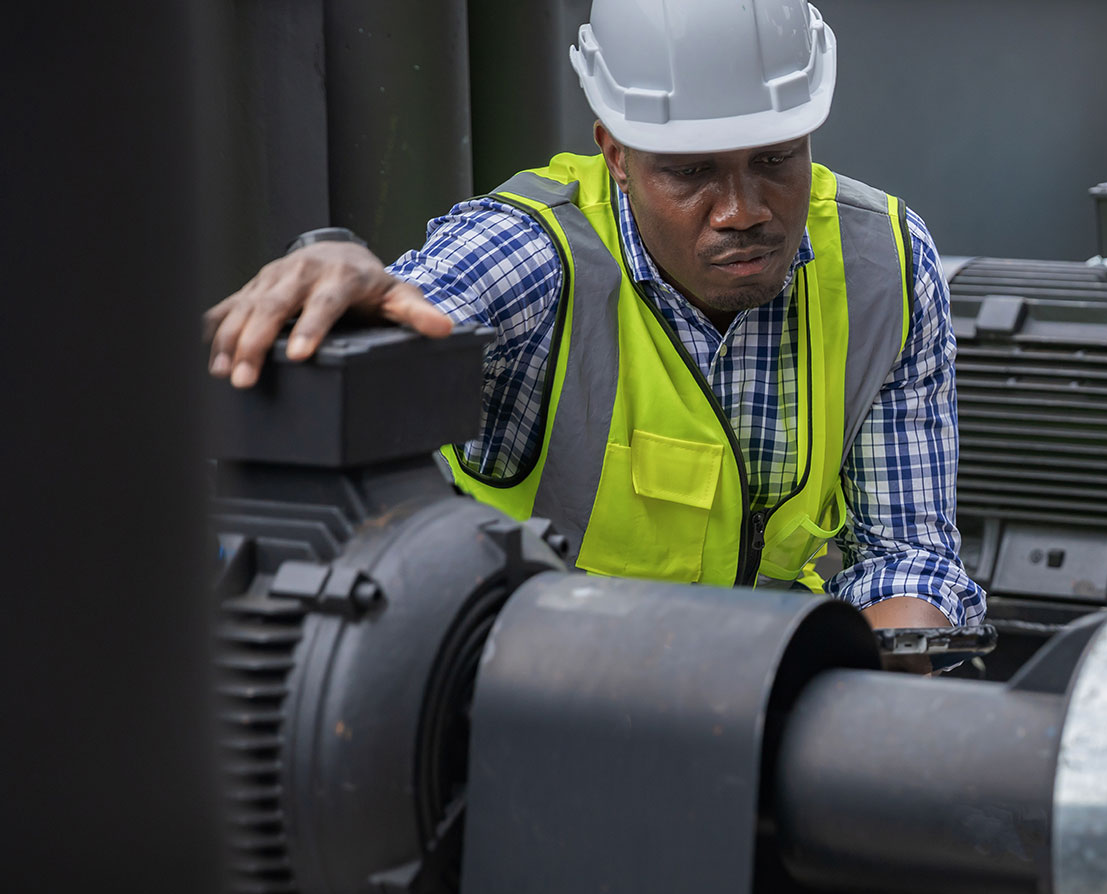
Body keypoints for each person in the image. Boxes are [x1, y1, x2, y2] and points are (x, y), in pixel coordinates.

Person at [203, 0, 984, 631]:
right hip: (527, 692)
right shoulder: (535, 251)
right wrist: (340, 268)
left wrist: (874, 693)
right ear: (616, 153)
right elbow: (410, 311)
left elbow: (906, 554)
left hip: (763, 694)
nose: (743, 211)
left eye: (776, 159)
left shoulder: (881, 262)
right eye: (692, 173)